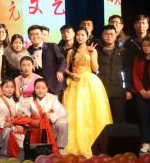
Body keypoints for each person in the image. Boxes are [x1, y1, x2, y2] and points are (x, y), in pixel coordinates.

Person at [62, 28, 113, 156]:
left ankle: (95, 143)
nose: (80, 37)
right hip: (74, 82)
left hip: (89, 82)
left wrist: (92, 54)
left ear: (87, 36)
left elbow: (95, 68)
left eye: (83, 35)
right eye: (78, 35)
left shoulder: (92, 50)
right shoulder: (71, 51)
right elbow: (65, 69)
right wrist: (72, 75)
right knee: (75, 112)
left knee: (90, 111)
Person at [17, 79, 69, 155]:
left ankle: (61, 147)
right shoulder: (29, 100)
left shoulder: (53, 98)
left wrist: (50, 116)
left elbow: (63, 112)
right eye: (38, 88)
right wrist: (22, 113)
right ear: (34, 88)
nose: (40, 90)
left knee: (63, 122)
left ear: (47, 88)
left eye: (43, 88)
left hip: (51, 126)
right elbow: (22, 112)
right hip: (36, 127)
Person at [95, 24, 131, 123]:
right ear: (102, 35)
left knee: (119, 120)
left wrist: (128, 89)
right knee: (102, 120)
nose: (109, 36)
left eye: (111, 34)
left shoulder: (123, 52)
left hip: (118, 92)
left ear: (116, 35)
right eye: (106, 34)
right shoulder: (96, 51)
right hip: (101, 91)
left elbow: (127, 71)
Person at [0, 79, 24, 157]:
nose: (9, 89)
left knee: (21, 131)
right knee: (10, 131)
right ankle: (7, 151)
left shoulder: (16, 101)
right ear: (1, 88)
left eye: (12, 87)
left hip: (12, 126)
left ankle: (19, 152)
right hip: (0, 129)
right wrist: (3, 124)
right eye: (7, 87)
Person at [41, 26, 69, 98]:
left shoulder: (53, 46)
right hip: (39, 86)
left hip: (54, 83)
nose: (43, 37)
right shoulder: (30, 49)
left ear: (48, 36)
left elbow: (62, 60)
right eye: (41, 34)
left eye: (45, 35)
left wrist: (60, 71)